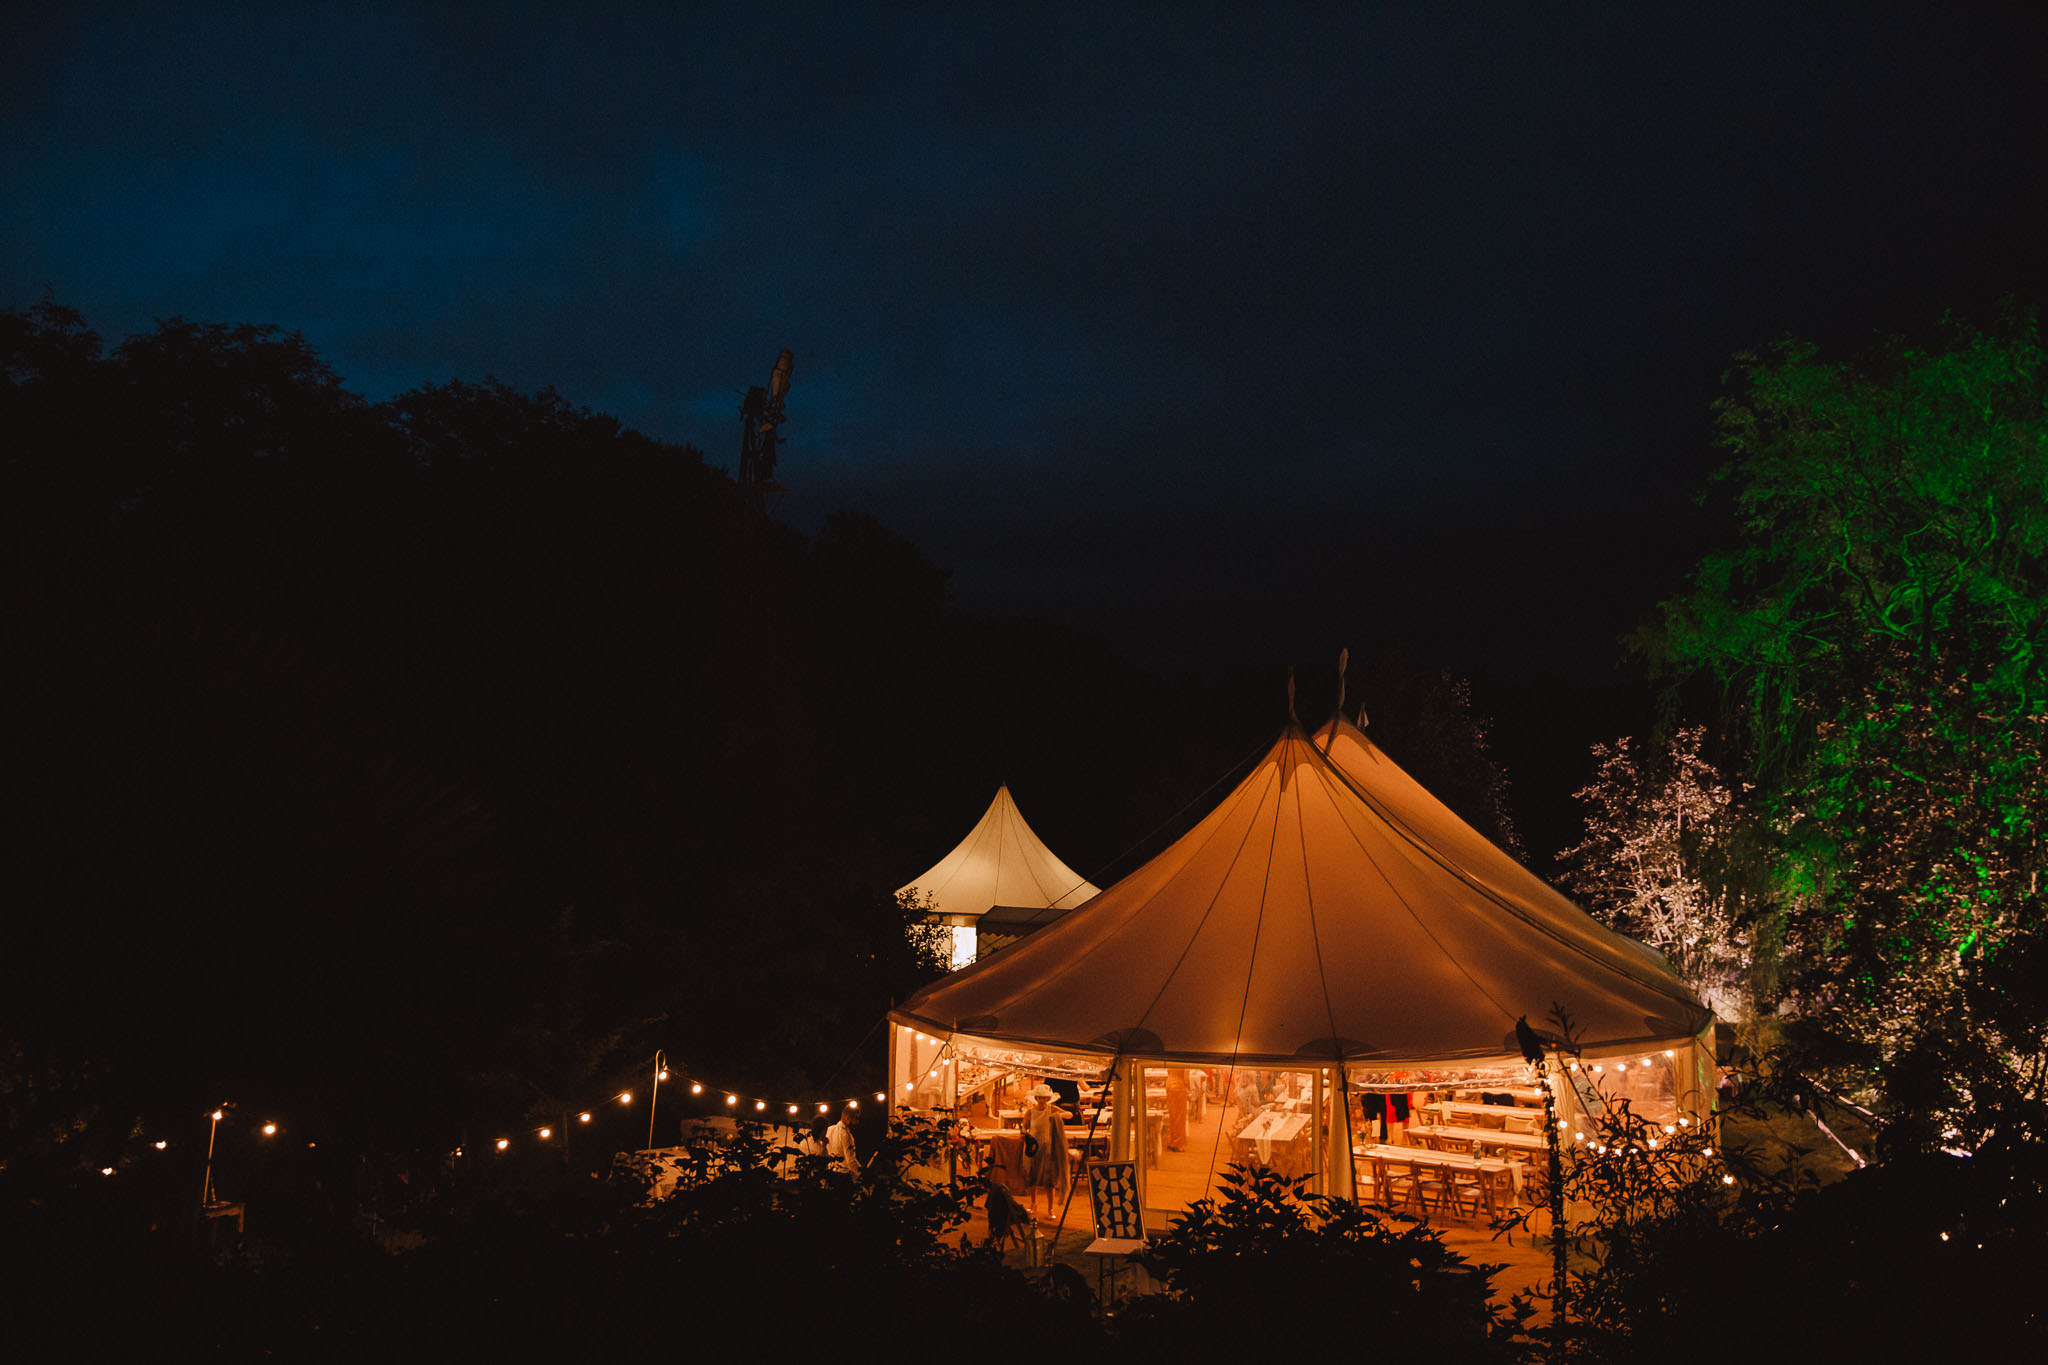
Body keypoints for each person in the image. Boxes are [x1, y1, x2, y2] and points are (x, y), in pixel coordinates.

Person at [1020, 1083, 1069, 1214]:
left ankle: (1050, 1208)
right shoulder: (1030, 1112)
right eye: (1039, 1098)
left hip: (1048, 1148)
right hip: (1033, 1148)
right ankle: (1033, 1203)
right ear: (1036, 1098)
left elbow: (1069, 1115)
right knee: (1032, 1176)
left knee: (1049, 1179)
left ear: (1048, 1099)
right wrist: (1024, 1134)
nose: (1042, 1100)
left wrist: (1058, 1116)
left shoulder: (1051, 1109)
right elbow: (1024, 1127)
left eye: (1044, 1098)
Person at [825, 1103, 861, 1176]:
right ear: (847, 1118)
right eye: (856, 1118)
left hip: (830, 1173)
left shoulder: (829, 1129)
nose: (857, 1122)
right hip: (843, 1175)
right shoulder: (846, 1134)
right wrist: (860, 1174)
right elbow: (850, 1160)